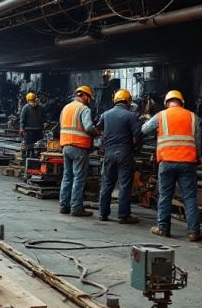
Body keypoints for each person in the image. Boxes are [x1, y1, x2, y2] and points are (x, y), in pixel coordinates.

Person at [141, 90, 202, 242]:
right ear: (182, 102)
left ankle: (163, 228)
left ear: (166, 103)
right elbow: (197, 141)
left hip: (167, 162)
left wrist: (149, 119)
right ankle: (194, 232)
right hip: (188, 163)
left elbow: (143, 130)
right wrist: (199, 157)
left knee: (165, 196)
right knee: (189, 197)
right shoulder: (192, 116)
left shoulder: (161, 116)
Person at [98, 89, 141, 224]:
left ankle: (103, 213)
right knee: (124, 184)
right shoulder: (131, 116)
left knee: (107, 183)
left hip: (109, 153)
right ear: (127, 101)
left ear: (115, 100)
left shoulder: (105, 115)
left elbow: (98, 129)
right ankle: (123, 215)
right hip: (125, 153)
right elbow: (138, 135)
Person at [58, 86, 101, 217]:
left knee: (67, 176)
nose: (89, 101)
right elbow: (88, 127)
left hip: (66, 146)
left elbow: (61, 125)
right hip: (79, 147)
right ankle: (76, 207)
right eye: (89, 98)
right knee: (79, 178)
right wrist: (98, 133)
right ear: (84, 95)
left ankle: (64, 205)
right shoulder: (84, 109)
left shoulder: (66, 108)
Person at [19, 92, 46, 162]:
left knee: (28, 146)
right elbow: (45, 119)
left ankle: (27, 160)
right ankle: (38, 159)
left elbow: (22, 119)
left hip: (29, 131)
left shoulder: (25, 108)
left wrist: (22, 128)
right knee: (38, 146)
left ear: (27, 100)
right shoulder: (41, 108)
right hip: (39, 130)